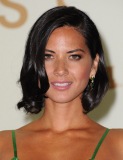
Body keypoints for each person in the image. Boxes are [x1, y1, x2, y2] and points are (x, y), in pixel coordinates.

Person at [0, 6, 123, 160]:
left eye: (74, 56)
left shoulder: (118, 145)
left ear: (94, 65)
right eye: (48, 56)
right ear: (34, 63)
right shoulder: (3, 144)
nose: (60, 70)